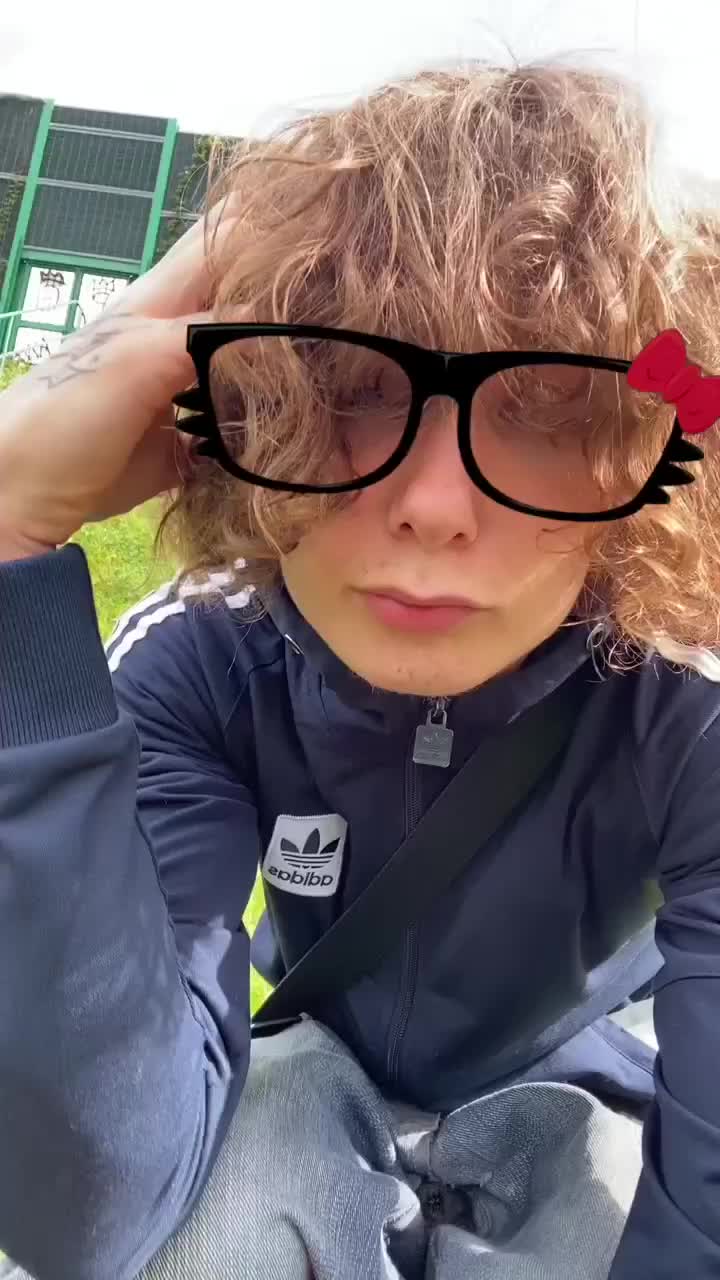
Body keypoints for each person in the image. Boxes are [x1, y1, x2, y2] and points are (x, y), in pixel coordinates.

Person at [1, 60, 720, 1280]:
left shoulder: (687, 710)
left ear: (653, 457)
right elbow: (97, 1198)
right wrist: (10, 538)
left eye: (555, 404)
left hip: (591, 1096)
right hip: (300, 1073)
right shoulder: (201, 664)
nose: (434, 502)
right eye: (345, 387)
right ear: (237, 409)